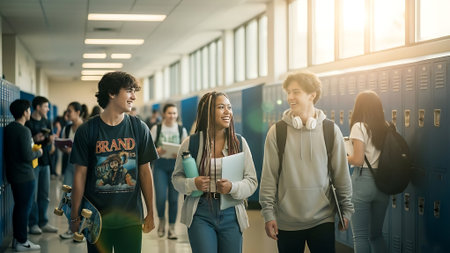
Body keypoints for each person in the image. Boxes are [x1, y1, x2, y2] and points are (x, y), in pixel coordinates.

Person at [259, 71, 354, 253]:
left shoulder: (330, 131)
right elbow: (269, 177)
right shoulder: (277, 132)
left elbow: (341, 174)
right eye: (288, 92)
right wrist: (268, 214)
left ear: (312, 95)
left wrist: (346, 209)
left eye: (296, 92)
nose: (290, 97)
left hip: (322, 219)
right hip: (287, 221)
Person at [70, 71, 158, 253]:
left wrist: (150, 211)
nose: (134, 96)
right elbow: (80, 175)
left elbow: (145, 172)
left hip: (130, 219)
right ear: (112, 93)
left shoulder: (139, 128)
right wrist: (74, 215)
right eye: (129, 91)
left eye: (134, 91)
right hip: (95, 220)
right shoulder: (87, 130)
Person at [172, 91, 258, 253]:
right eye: (221, 107)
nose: (227, 112)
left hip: (231, 211)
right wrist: (193, 183)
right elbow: (176, 179)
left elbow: (252, 181)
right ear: (208, 112)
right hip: (201, 212)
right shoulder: (191, 143)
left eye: (229, 107)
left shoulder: (239, 142)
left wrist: (232, 187)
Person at [347, 90, 389, 253]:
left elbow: (357, 160)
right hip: (383, 183)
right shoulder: (386, 127)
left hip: (363, 181)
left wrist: (344, 156)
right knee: (376, 235)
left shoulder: (359, 127)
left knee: (361, 236)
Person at [4, 99, 43, 251]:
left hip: (14, 175)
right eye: (28, 110)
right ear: (24, 112)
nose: (29, 112)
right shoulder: (24, 130)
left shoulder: (9, 128)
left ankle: (17, 240)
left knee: (19, 208)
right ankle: (22, 241)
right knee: (24, 209)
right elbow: (27, 155)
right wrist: (38, 152)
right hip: (25, 176)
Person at [150, 103, 188, 239]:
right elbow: (149, 149)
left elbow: (186, 150)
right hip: (160, 166)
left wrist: (179, 153)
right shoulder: (157, 128)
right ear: (164, 114)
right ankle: (161, 221)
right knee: (160, 197)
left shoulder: (181, 129)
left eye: (174, 113)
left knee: (173, 199)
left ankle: (172, 228)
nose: (172, 116)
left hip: (175, 167)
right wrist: (157, 151)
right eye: (169, 113)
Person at [25, 96, 58, 234]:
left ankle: (43, 222)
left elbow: (49, 144)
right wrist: (34, 139)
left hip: (45, 161)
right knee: (33, 195)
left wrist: (51, 140)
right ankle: (33, 224)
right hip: (33, 163)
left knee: (44, 194)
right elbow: (25, 143)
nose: (48, 109)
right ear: (38, 107)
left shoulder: (46, 121)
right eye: (45, 106)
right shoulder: (28, 123)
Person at [58, 102, 85, 240]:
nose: (67, 114)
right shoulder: (67, 128)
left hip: (83, 168)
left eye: (70, 111)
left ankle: (82, 231)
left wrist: (73, 150)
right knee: (68, 197)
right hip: (70, 166)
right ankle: (71, 228)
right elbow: (63, 145)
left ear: (78, 112)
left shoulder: (85, 128)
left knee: (82, 199)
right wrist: (63, 148)